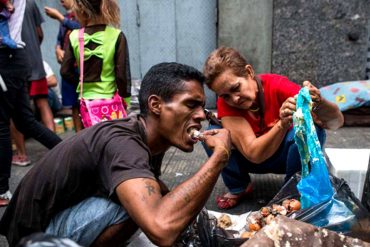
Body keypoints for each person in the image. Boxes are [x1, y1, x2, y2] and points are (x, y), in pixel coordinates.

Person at [0, 62, 232, 247]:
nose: (202, 115)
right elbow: (161, 228)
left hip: (54, 219)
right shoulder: (124, 143)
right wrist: (218, 158)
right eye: (192, 105)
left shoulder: (149, 136)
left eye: (203, 107)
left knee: (151, 195)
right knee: (140, 207)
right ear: (156, 105)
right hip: (35, 238)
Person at [202, 47, 344, 209]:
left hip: (288, 158)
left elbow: (336, 123)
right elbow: (253, 154)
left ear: (249, 72)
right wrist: (282, 124)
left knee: (313, 130)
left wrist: (319, 102)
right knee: (213, 134)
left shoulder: (277, 85)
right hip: (251, 159)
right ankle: (239, 186)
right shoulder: (226, 105)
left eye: (236, 88)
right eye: (225, 96)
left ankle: (292, 191)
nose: (234, 99)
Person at [0, 0, 62, 207]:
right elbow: (38, 33)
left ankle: (1, 190)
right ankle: (68, 151)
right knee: (25, 121)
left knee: (2, 123)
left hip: (6, 58)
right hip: (16, 57)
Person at [61, 0, 131, 128]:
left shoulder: (74, 36)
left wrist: (81, 82)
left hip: (86, 104)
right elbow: (122, 76)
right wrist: (126, 101)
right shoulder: (117, 36)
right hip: (112, 104)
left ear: (81, 9)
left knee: (91, 144)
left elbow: (65, 71)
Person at [44, 0, 82, 131]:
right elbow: (59, 39)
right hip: (69, 67)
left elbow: (80, 28)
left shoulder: (83, 14)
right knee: (74, 105)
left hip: (81, 67)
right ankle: (78, 136)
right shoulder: (66, 17)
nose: (61, 2)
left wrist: (59, 17)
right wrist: (57, 49)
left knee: (84, 103)